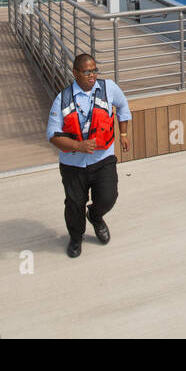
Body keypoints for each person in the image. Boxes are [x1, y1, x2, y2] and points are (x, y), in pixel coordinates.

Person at [46, 54, 131, 258]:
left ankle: (95, 215)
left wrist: (124, 134)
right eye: (86, 72)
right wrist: (78, 145)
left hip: (103, 159)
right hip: (73, 165)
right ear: (75, 73)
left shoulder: (108, 88)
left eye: (94, 70)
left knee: (109, 197)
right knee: (74, 204)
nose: (92, 75)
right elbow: (52, 134)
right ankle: (76, 238)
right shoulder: (63, 98)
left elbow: (123, 106)